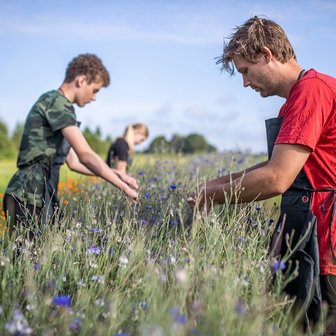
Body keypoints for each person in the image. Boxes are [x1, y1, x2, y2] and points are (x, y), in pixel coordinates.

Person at [188, 16, 336, 334]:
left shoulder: (313, 92)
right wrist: (215, 184)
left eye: (245, 71)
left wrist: (211, 196)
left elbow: (277, 178)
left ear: (266, 55)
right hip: (310, 234)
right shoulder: (299, 97)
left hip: (326, 242)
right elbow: (277, 164)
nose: (245, 83)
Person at [3, 53, 139, 239]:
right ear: (82, 80)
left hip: (42, 195)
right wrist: (122, 187)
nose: (94, 98)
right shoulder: (56, 103)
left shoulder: (61, 106)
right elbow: (86, 155)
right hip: (27, 196)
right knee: (26, 261)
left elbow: (74, 162)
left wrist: (118, 174)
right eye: (95, 90)